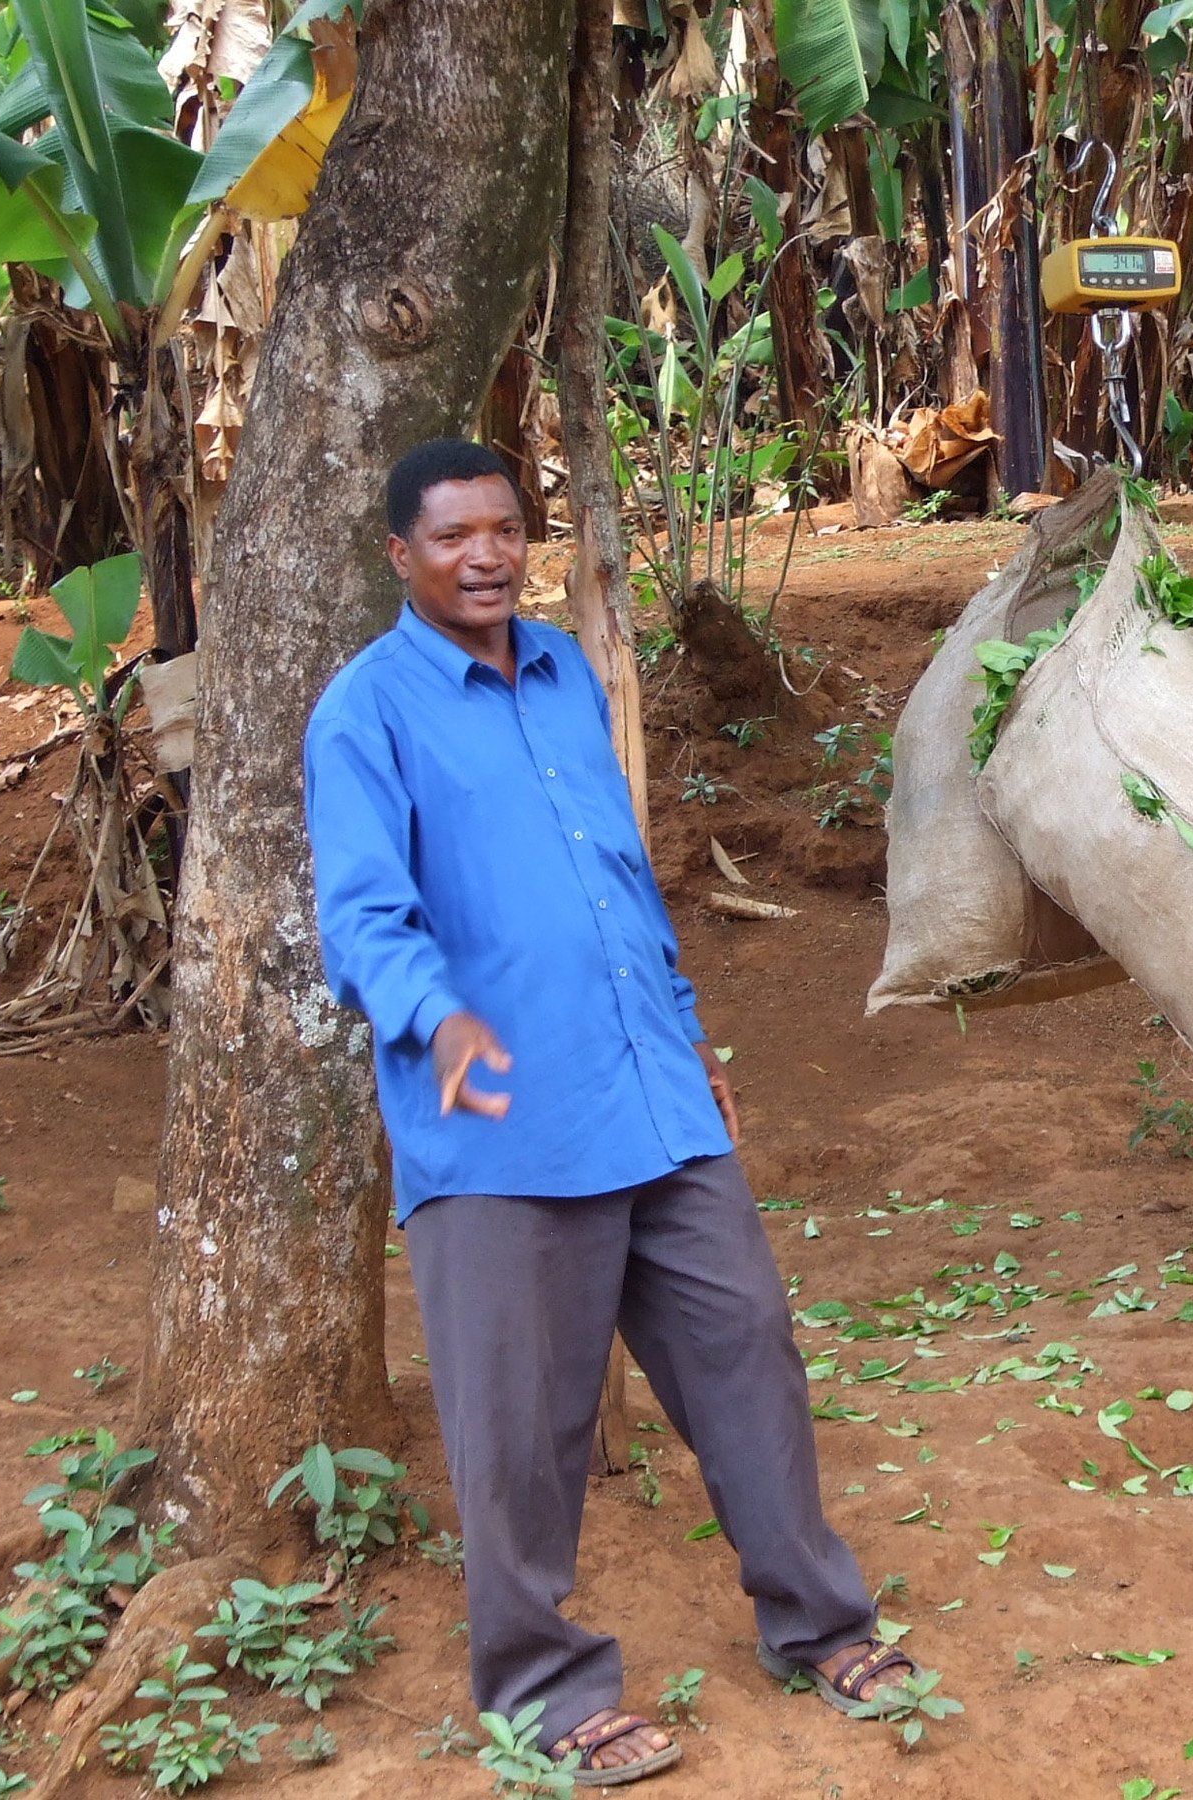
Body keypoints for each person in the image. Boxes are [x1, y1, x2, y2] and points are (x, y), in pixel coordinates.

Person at [304, 439, 906, 1786]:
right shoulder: (366, 711)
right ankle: (544, 1693)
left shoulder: (568, 672)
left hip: (648, 1094)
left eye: (505, 530)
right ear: (400, 556)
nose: (485, 557)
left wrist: (688, 1040)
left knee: (749, 1347)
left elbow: (617, 882)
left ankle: (818, 1623)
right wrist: (438, 1018)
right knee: (522, 1427)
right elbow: (360, 917)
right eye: (453, 537)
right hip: (500, 1129)